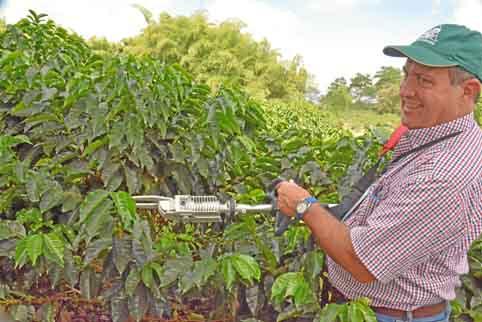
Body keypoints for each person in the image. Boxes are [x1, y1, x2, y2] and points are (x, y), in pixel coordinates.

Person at [275, 24, 482, 322]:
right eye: (406, 74)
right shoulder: (438, 137)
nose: (405, 90)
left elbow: (361, 262)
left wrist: (306, 206)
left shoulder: (444, 175)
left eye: (423, 80)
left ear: (468, 91)